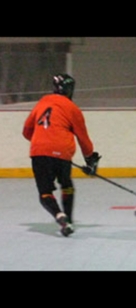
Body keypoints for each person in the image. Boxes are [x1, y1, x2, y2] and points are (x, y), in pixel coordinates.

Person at [22, 73, 101, 237]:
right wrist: (90, 160)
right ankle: (69, 220)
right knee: (67, 186)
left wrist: (43, 144)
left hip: (38, 152)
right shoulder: (72, 109)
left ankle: (59, 216)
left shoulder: (42, 102)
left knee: (45, 193)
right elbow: (83, 138)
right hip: (62, 152)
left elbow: (27, 131)